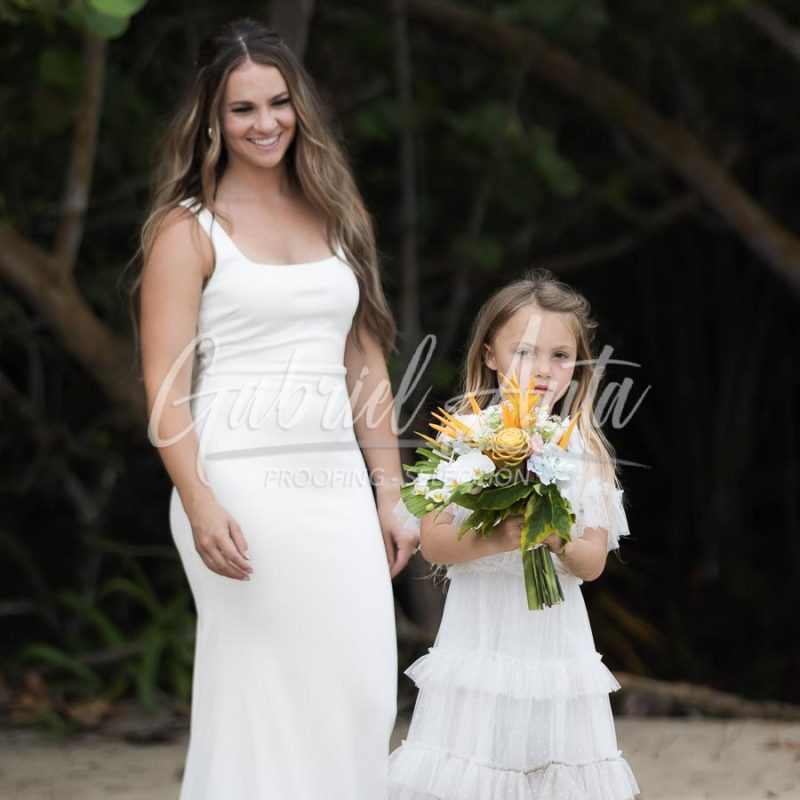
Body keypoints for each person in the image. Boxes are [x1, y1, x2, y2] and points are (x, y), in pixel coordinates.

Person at [131, 17, 418, 800]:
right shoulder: (186, 230)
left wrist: (390, 495)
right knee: (265, 697)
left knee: (362, 683)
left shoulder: (336, 212)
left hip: (335, 485)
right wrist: (199, 502)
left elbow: (366, 364)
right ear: (212, 119)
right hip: (238, 482)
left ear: (300, 106)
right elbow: (164, 385)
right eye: (243, 108)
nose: (265, 123)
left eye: (278, 102)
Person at [387, 269, 641, 798]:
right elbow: (434, 542)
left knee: (553, 766)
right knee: (474, 762)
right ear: (490, 356)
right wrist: (503, 535)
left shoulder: (585, 452)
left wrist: (553, 536)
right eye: (524, 352)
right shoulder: (462, 439)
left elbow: (592, 562)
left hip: (553, 639)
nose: (543, 370)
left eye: (560, 356)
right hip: (480, 633)